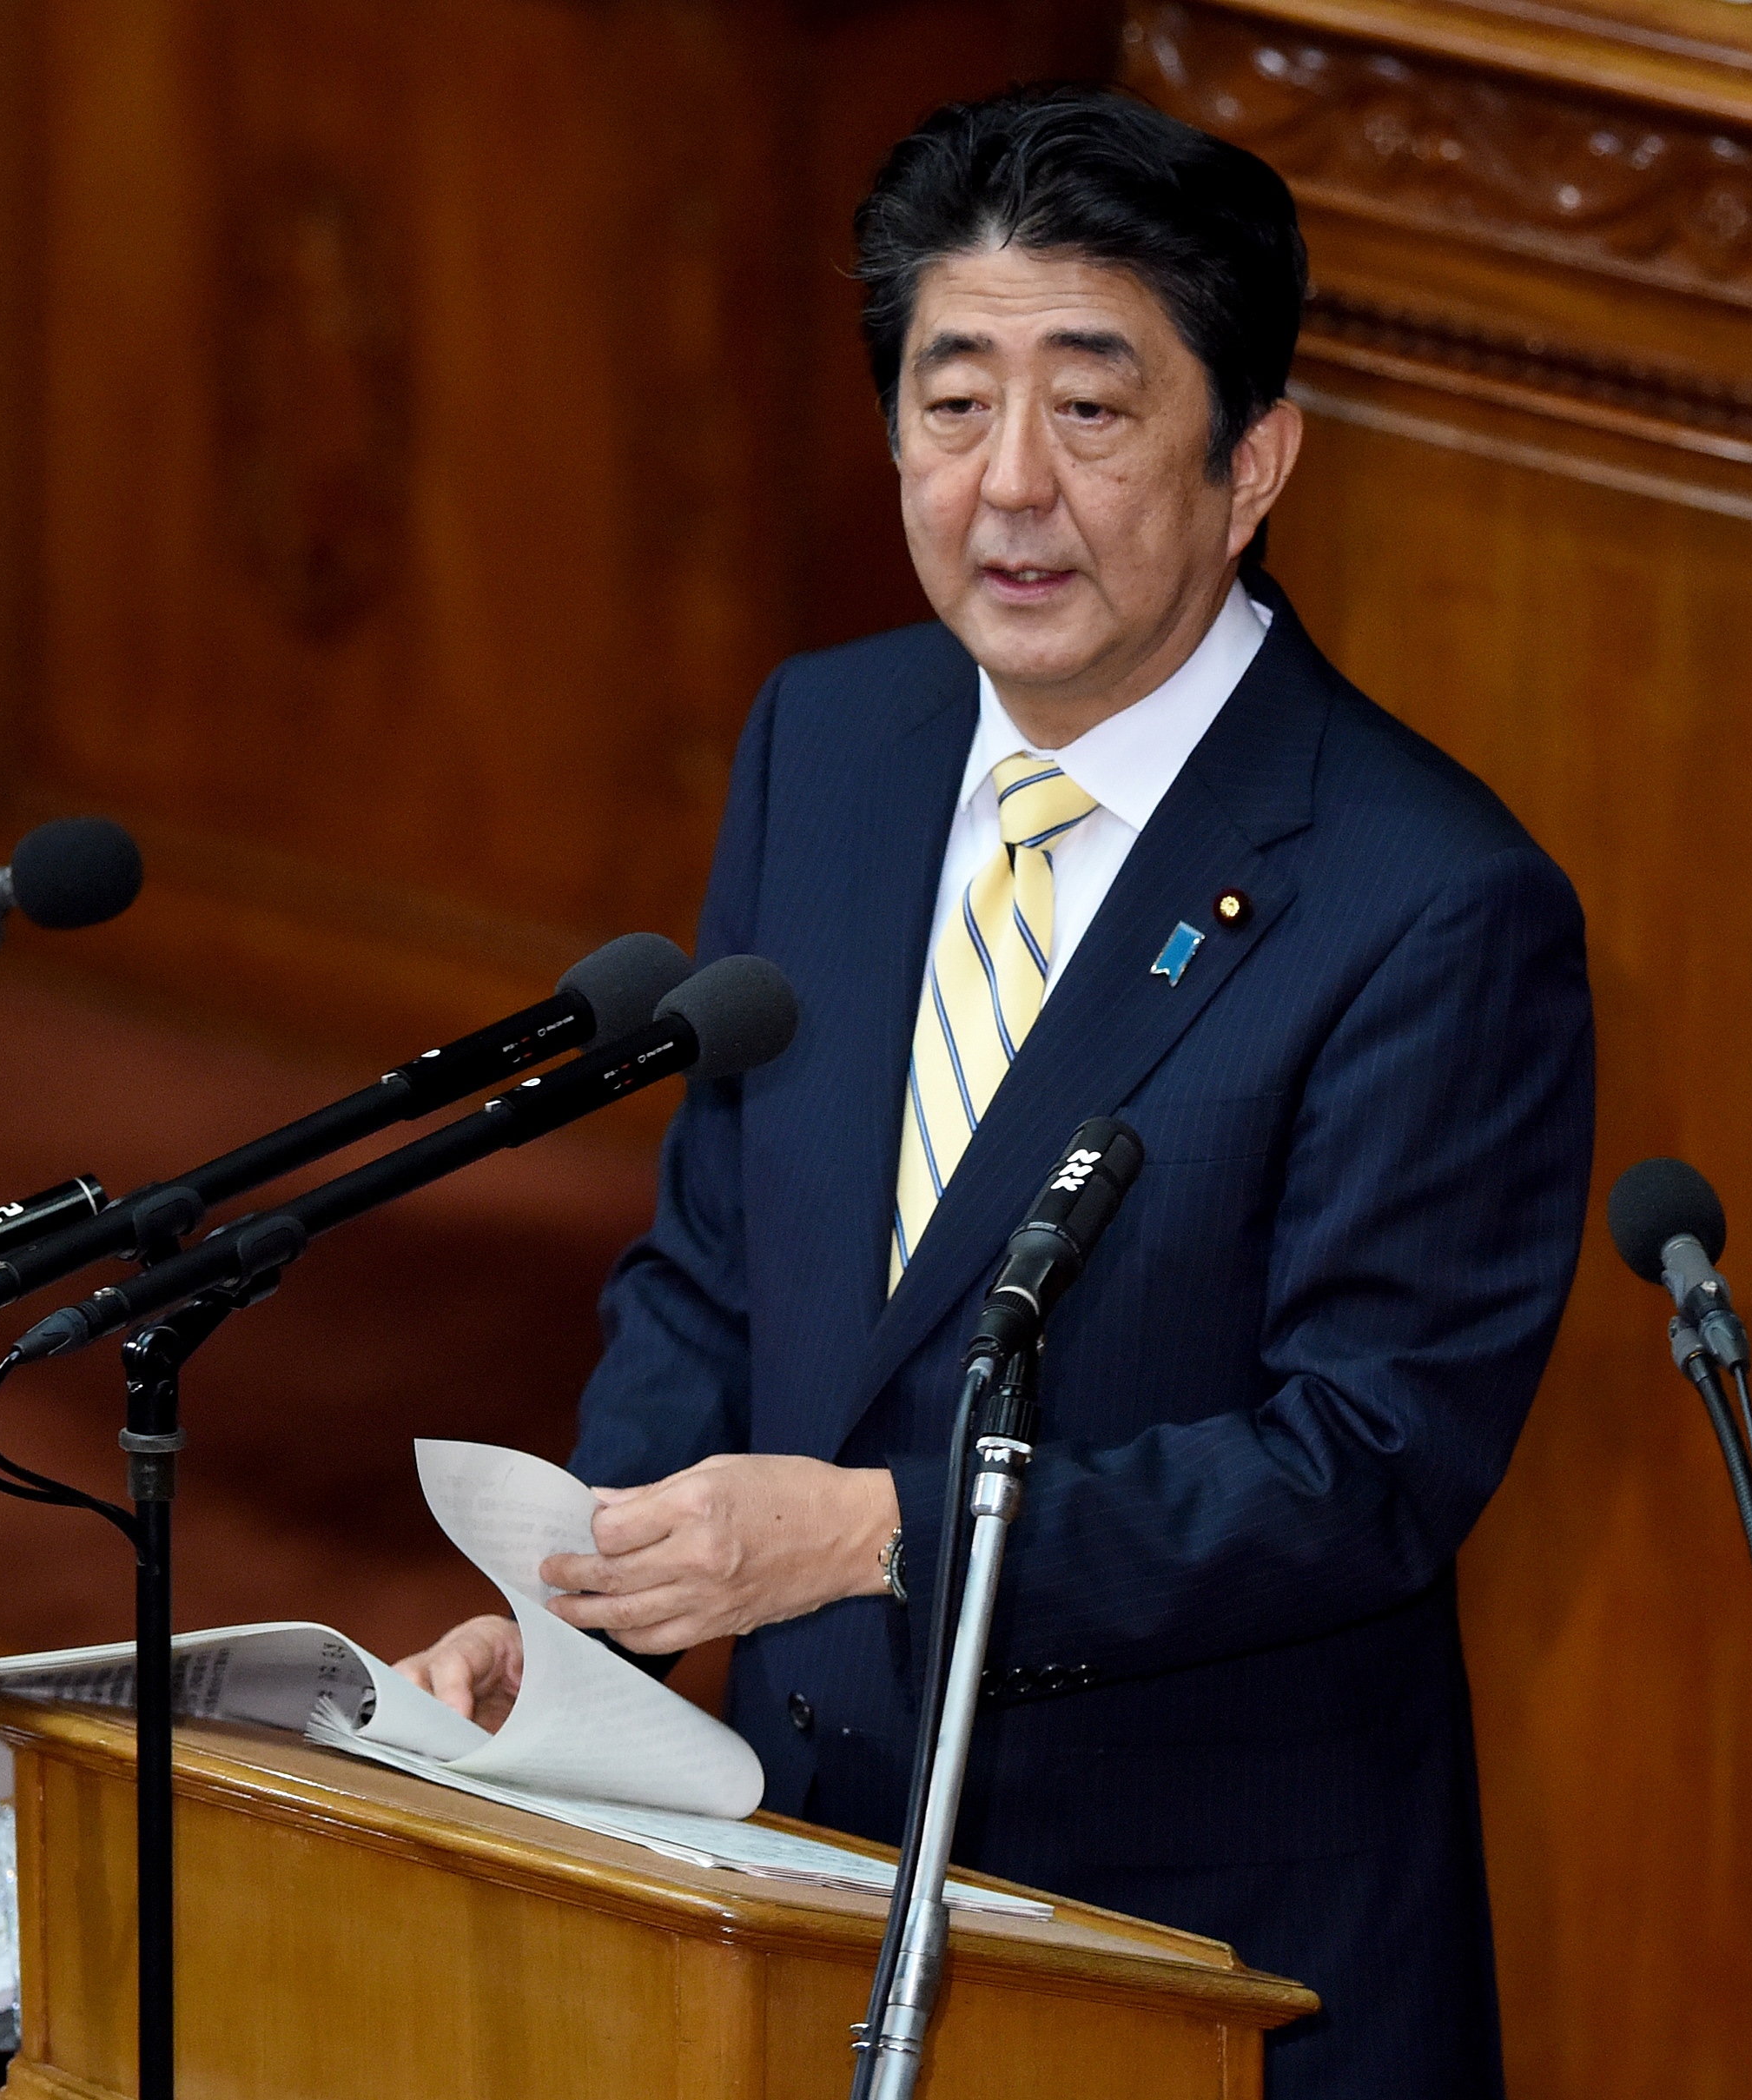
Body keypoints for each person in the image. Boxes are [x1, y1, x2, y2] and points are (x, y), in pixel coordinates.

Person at [399, 84, 1592, 2095]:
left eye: (1094, 411)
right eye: (955, 407)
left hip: (1187, 1957)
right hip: (779, 1896)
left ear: (1255, 462)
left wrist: (877, 1538)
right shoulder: (831, 739)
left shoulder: (1433, 904)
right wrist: (589, 1625)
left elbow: (1359, 1470)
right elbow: (723, 1266)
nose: (1009, 489)